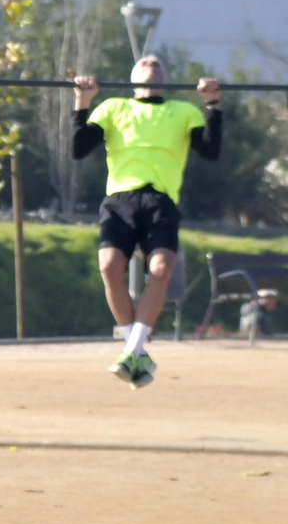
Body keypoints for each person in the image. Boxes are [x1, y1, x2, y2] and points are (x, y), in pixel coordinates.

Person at [74, 56, 222, 388]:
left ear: (166, 78)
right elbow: (79, 148)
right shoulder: (113, 107)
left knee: (162, 268)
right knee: (110, 266)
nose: (150, 61)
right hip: (120, 199)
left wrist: (212, 106)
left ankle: (133, 352)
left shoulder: (183, 112)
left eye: (157, 62)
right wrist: (82, 102)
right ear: (133, 77)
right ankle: (136, 351)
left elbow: (210, 151)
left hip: (160, 199)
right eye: (143, 61)